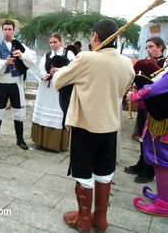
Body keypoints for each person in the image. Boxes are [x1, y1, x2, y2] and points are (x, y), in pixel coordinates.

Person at [53, 19, 135, 232]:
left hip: (85, 127)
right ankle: (101, 219)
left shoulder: (86, 58)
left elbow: (58, 81)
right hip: (110, 128)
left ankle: (84, 221)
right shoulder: (127, 63)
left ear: (96, 37)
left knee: (84, 174)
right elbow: (124, 90)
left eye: (91, 36)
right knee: (104, 173)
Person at [0, 20, 37, 150]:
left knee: (18, 112)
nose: (7, 32)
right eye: (5, 29)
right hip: (2, 83)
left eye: (10, 29)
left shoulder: (20, 45)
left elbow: (32, 60)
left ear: (13, 30)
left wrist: (22, 55)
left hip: (16, 84)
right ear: (2, 31)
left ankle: (20, 140)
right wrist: (5, 62)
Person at [125, 37, 166, 183]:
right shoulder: (147, 62)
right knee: (143, 136)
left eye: (151, 47)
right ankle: (142, 162)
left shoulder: (163, 64)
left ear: (160, 47)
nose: (148, 50)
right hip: (144, 104)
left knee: (153, 139)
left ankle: (149, 170)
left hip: (158, 109)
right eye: (146, 47)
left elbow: (156, 87)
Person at [130, 73, 168, 217]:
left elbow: (152, 89)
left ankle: (163, 204)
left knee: (162, 161)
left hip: (164, 127)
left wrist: (134, 95)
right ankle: (164, 195)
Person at [31, 33, 75, 152]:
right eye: (50, 42)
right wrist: (44, 74)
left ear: (60, 42)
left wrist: (59, 70)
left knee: (58, 113)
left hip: (59, 91)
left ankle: (56, 144)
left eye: (55, 42)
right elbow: (41, 69)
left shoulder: (68, 54)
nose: (52, 45)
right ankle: (41, 142)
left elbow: (73, 69)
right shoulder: (47, 55)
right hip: (46, 89)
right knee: (43, 113)